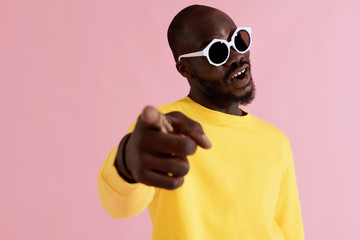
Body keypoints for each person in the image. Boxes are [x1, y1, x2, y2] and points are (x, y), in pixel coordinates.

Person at [98, 4, 305, 240]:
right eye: (217, 52)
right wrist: (125, 165)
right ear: (186, 69)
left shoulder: (275, 141)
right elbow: (119, 206)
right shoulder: (164, 130)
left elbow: (290, 230)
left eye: (239, 40)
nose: (237, 56)